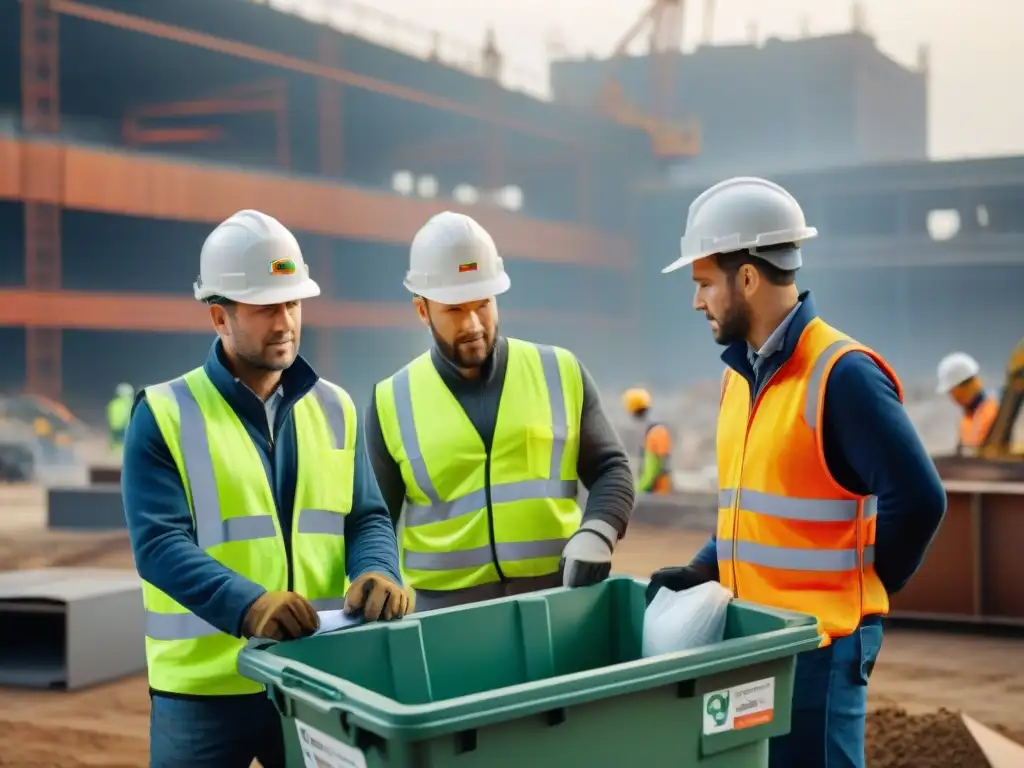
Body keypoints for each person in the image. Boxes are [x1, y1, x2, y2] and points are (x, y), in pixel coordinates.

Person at [652, 177, 946, 768]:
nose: (696, 301)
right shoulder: (738, 377)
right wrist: (702, 567)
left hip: (822, 650)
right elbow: (753, 505)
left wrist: (860, 587)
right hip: (759, 640)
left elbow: (919, 500)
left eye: (705, 283)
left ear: (749, 279)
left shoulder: (843, 375)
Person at [121, 209, 410, 768]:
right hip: (204, 691)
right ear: (219, 317)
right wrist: (247, 606)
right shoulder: (163, 414)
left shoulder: (335, 407)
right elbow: (158, 547)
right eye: (265, 307)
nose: (285, 323)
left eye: (293, 303)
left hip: (314, 676)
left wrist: (379, 570)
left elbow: (366, 517)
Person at [364, 211, 636, 612]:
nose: (474, 323)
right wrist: (376, 571)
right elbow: (375, 518)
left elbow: (612, 468)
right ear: (422, 310)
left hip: (558, 605)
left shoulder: (560, 371)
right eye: (455, 309)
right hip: (446, 623)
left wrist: (597, 531)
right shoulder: (391, 399)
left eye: (484, 304)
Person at [936, 352, 999, 453]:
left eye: (952, 392)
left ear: (964, 386)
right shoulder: (967, 418)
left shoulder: (993, 411)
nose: (952, 398)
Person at [621, 387, 674, 494]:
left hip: (657, 493)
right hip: (661, 491)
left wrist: (639, 490)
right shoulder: (657, 429)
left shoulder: (654, 433)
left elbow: (651, 469)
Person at [107, 382, 135, 455]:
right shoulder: (129, 403)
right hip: (124, 428)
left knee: (116, 447)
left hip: (114, 428)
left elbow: (110, 417)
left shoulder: (113, 403)